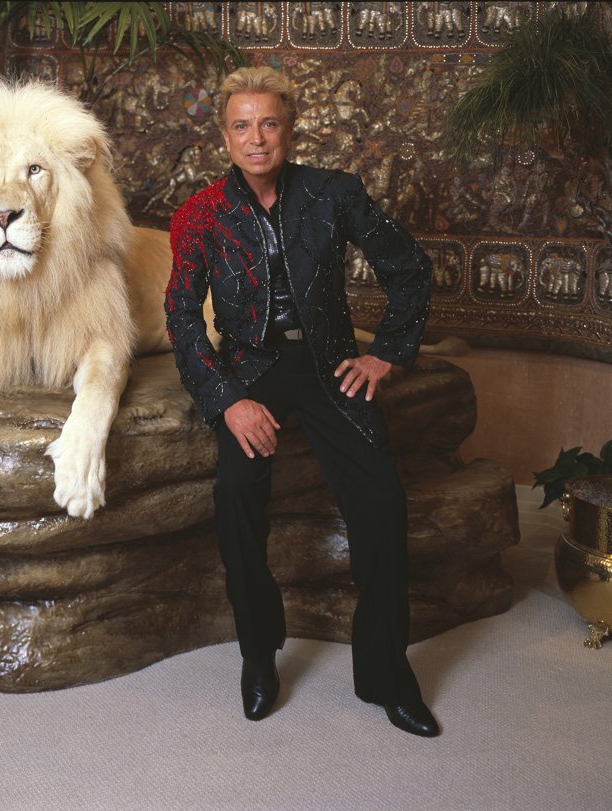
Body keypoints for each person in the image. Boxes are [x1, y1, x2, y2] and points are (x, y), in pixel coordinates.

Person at [164, 66, 439, 737]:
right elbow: (182, 317)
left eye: (268, 123)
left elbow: (410, 267)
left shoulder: (333, 192)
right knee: (234, 497)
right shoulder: (201, 214)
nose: (256, 138)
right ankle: (259, 655)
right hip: (249, 369)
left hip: (327, 363)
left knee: (381, 501)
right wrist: (227, 399)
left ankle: (385, 672)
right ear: (224, 136)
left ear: (289, 129)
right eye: (241, 125)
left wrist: (387, 353)